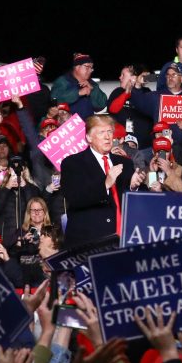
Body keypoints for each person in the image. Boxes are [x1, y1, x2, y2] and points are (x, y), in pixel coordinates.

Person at [59, 114, 136, 247]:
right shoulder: (72, 163)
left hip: (124, 241)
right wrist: (106, 184)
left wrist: (134, 187)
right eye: (101, 132)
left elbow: (133, 204)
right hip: (89, 242)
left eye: (110, 132)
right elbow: (75, 198)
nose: (107, 137)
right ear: (88, 137)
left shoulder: (125, 163)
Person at [51, 53, 108, 120]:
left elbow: (101, 105)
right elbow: (54, 99)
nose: (90, 70)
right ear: (77, 67)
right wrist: (78, 93)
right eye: (87, 67)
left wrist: (93, 90)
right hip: (68, 126)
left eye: (91, 68)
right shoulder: (63, 81)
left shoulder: (92, 84)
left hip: (87, 125)